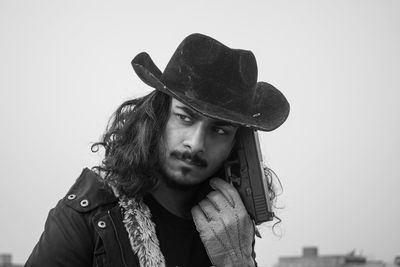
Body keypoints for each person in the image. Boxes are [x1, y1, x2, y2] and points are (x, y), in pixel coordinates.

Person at [25, 33, 290, 267]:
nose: (196, 144)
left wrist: (238, 262)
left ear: (237, 146)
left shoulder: (231, 225)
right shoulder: (89, 216)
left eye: (220, 131)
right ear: (158, 117)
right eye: (185, 118)